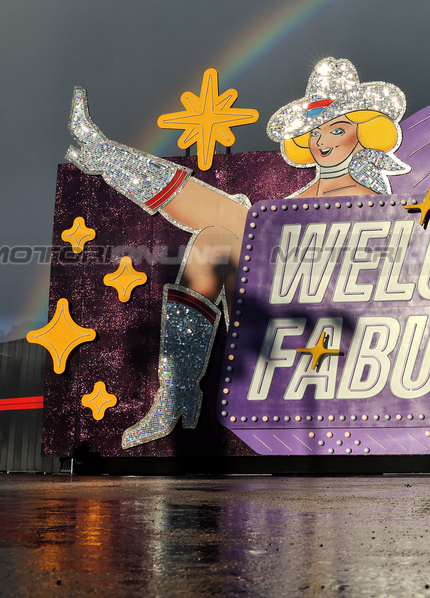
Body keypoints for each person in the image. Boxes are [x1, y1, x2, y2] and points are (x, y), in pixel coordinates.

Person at [65, 58, 409, 448]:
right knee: (213, 239)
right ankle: (176, 392)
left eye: (337, 128)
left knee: (239, 222)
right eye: (315, 131)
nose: (323, 140)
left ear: (363, 134)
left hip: (331, 324)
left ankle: (107, 157)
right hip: (276, 319)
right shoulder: (299, 199)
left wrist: (251, 221)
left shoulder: (368, 196)